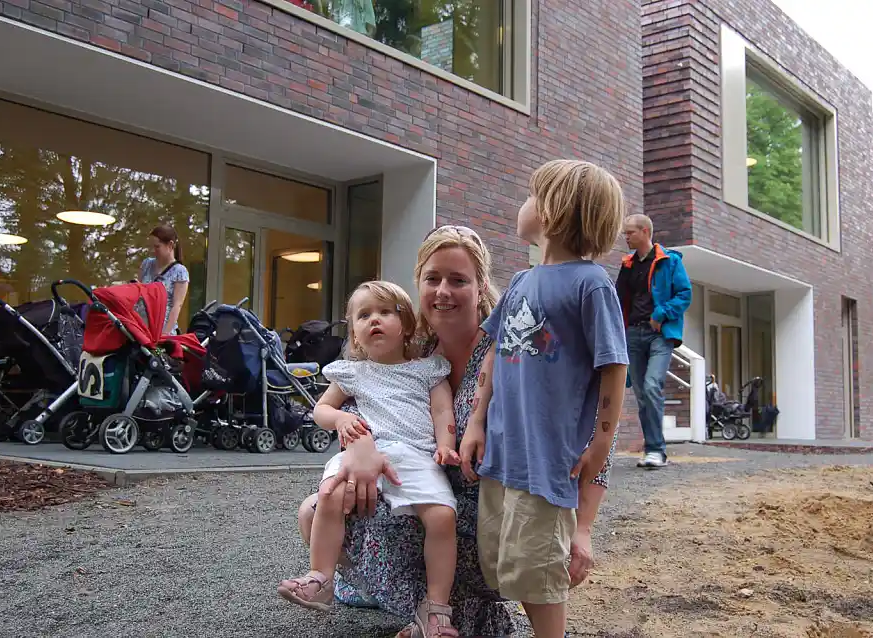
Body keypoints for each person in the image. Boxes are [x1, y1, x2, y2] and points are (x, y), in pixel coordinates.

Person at [283, 225, 619, 638]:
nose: (443, 290)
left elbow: (588, 431)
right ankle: (439, 612)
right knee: (316, 509)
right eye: (432, 279)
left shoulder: (510, 347)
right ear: (418, 286)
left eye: (458, 280)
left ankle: (448, 610)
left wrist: (582, 529)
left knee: (424, 521)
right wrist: (360, 448)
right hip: (422, 485)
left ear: (480, 286)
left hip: (492, 504)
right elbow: (361, 401)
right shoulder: (412, 349)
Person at [458, 159, 629, 638]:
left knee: (540, 574)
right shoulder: (519, 282)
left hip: (548, 459)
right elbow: (493, 354)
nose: (522, 205)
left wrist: (600, 443)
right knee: (511, 565)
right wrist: (475, 423)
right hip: (504, 452)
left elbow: (614, 368)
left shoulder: (591, 284)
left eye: (531, 195)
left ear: (553, 211)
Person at [278, 281, 461, 636]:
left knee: (442, 516)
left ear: (406, 324)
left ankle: (436, 608)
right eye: (364, 316)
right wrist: (343, 418)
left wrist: (446, 443)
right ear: (356, 335)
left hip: (415, 454)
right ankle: (321, 577)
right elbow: (321, 410)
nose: (374, 320)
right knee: (331, 494)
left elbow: (442, 410)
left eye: (385, 312)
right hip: (365, 447)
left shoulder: (427, 369)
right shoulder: (352, 372)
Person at [616, 213, 692, 469]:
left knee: (651, 386)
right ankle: (652, 448)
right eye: (625, 233)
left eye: (630, 232)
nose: (625, 236)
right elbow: (618, 301)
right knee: (641, 395)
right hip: (633, 335)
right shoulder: (627, 265)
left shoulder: (669, 262)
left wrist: (661, 313)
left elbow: (684, 294)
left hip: (659, 335)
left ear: (645, 232)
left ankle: (657, 450)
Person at [138, 224, 189, 335]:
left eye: (157, 247)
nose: (153, 250)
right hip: (140, 329)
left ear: (170, 245)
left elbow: (177, 306)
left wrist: (165, 334)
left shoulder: (179, 272)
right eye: (151, 246)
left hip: (161, 331)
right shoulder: (146, 264)